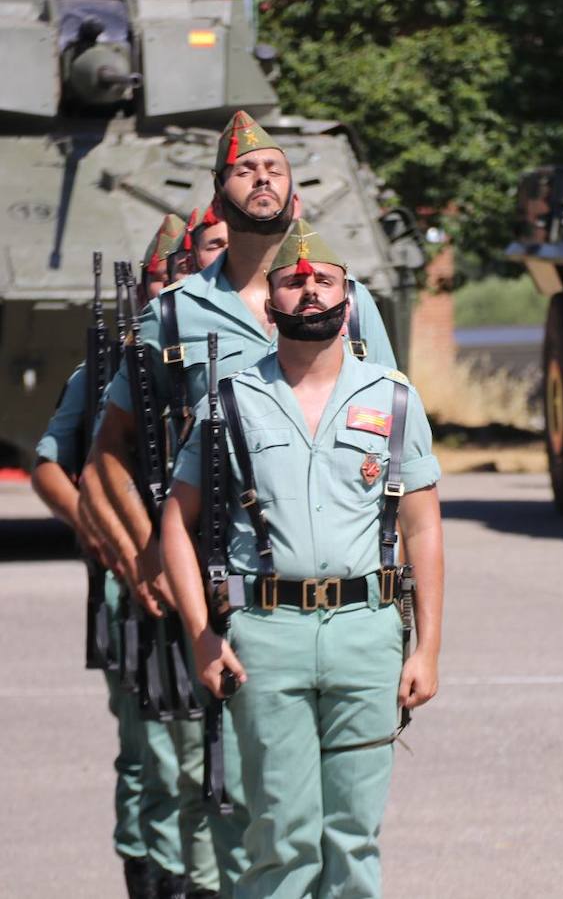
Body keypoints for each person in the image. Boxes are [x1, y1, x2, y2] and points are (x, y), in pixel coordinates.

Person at [78, 110, 399, 888]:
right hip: (229, 589)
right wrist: (147, 552)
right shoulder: (176, 313)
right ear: (219, 195)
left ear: (296, 191)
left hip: (343, 595)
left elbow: (395, 437)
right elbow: (109, 454)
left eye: (277, 168)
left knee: (345, 828)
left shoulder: (340, 299)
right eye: (245, 171)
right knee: (239, 805)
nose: (264, 179)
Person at [159, 221, 444, 897]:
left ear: (347, 299)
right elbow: (176, 522)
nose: (309, 289)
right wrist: (202, 635)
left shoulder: (394, 396)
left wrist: (426, 647)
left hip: (365, 633)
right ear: (270, 303)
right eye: (293, 280)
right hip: (267, 637)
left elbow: (423, 529)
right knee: (282, 839)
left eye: (325, 280)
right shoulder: (228, 399)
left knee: (352, 841)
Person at [32, 214, 217, 898]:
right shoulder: (109, 369)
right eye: (166, 278)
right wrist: (114, 540)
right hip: (137, 585)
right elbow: (58, 468)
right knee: (155, 754)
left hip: (208, 579)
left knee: (203, 756)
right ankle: (155, 873)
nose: (177, 289)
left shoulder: (220, 360)